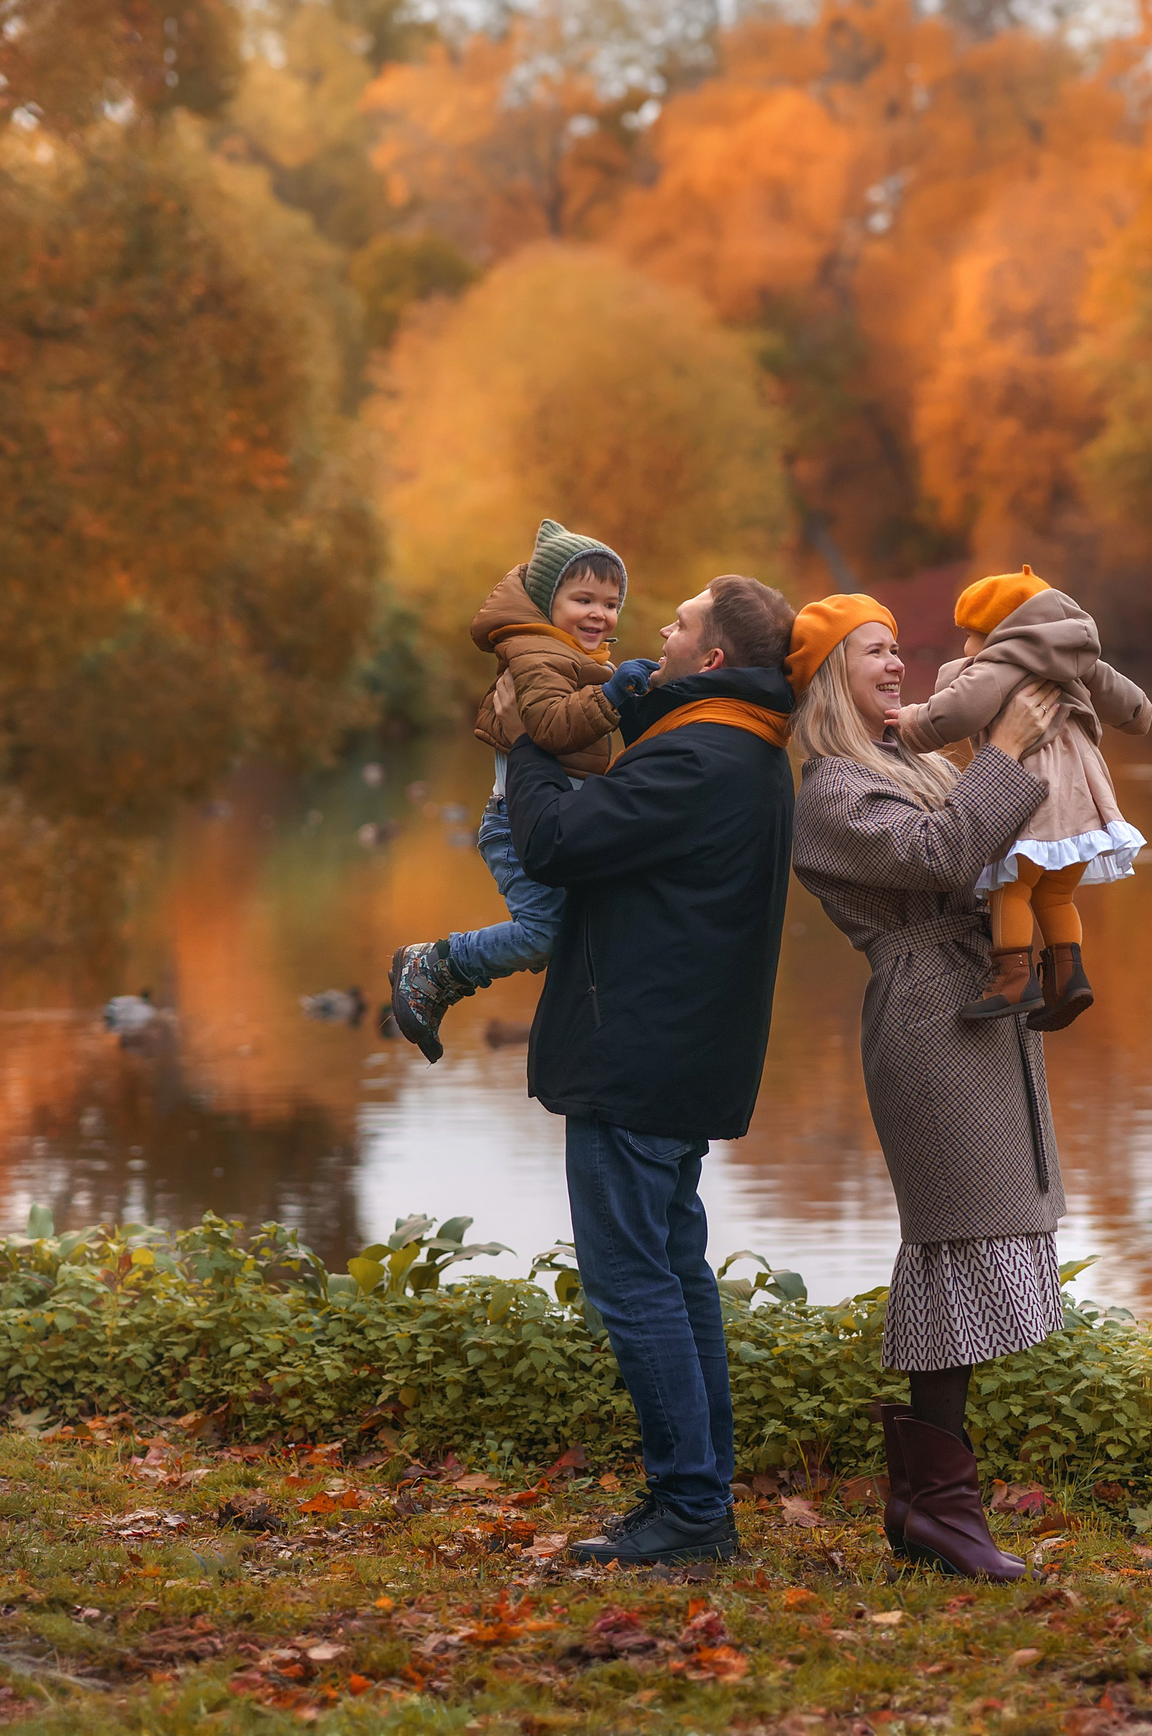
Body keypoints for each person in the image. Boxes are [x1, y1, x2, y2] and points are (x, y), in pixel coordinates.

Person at [496, 573, 800, 1566]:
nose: (656, 633)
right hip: (676, 1053)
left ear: (711, 658)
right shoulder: (737, 749)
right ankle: (697, 1498)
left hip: (640, 1053)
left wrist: (532, 740)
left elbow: (550, 842)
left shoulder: (703, 756)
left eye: (678, 623)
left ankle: (690, 1508)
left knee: (633, 1280)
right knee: (672, 1271)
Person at [785, 592, 1068, 1582]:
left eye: (898, 647)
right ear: (827, 677)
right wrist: (1004, 751)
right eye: (874, 651)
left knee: (977, 1233)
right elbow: (941, 852)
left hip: (969, 1009)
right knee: (955, 1242)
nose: (898, 663)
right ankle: (937, 1506)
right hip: (926, 1022)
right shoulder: (827, 790)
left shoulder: (904, 762)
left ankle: (930, 1504)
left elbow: (984, 849)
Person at [384, 519, 657, 1061]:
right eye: (583, 599)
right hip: (516, 825)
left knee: (575, 935)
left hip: (551, 817)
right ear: (545, 601)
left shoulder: (571, 657)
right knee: (544, 934)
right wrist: (614, 698)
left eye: (610, 603)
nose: (599, 614)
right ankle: (437, 964)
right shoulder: (536, 654)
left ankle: (447, 982)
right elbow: (552, 727)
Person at [894, 565, 1152, 1030]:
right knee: (1056, 895)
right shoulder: (1076, 658)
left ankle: (1012, 977)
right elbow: (1131, 706)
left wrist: (907, 723)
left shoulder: (1000, 666)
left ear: (1000, 631)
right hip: (1086, 801)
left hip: (1032, 794)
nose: (966, 647)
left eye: (971, 635)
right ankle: (1068, 976)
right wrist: (1138, 714)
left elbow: (955, 714)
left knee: (1010, 887)